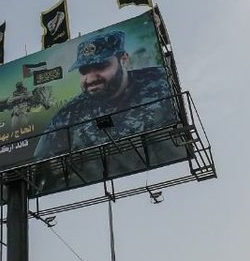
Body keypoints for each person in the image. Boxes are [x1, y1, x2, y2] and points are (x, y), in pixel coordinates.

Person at [32, 30, 182, 164]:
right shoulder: (68, 115)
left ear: (124, 60)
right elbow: (39, 167)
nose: (90, 79)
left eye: (101, 66)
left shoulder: (161, 80)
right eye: (84, 71)